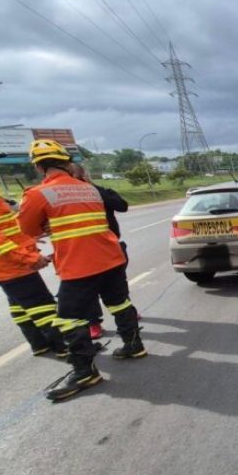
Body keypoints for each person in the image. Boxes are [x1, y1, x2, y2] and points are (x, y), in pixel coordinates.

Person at [18, 139, 146, 402]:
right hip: (110, 258)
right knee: (119, 302)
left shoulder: (37, 194)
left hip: (79, 264)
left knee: (69, 319)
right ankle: (134, 345)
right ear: (67, 163)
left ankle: (84, 372)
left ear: (40, 168)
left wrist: (48, 226)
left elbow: (27, 230)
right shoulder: (89, 189)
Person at [0, 194, 67, 358]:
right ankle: (64, 345)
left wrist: (29, 241)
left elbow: (8, 231)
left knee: (20, 306)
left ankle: (39, 344)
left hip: (8, 268)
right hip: (14, 267)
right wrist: (32, 258)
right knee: (43, 306)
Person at [68, 164, 129, 340]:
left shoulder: (99, 192)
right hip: (80, 251)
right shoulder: (64, 198)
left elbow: (122, 205)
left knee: (117, 286)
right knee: (88, 291)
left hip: (110, 246)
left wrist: (92, 188)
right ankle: (94, 323)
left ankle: (127, 317)